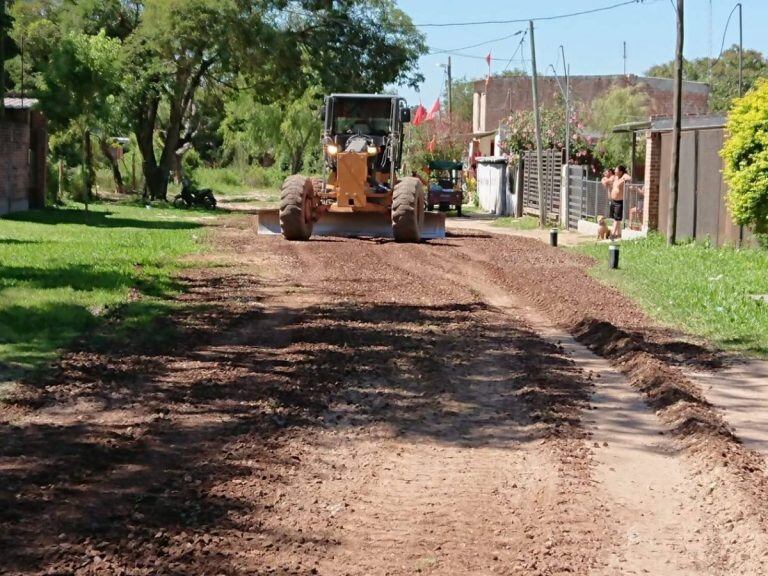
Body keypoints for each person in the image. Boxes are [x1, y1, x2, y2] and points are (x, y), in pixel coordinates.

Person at [607, 165, 631, 239]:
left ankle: (613, 234)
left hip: (619, 202)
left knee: (617, 219)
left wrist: (623, 178)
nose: (615, 171)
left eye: (616, 170)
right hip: (613, 200)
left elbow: (629, 178)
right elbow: (607, 180)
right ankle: (619, 234)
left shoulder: (624, 176)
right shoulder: (615, 177)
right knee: (615, 218)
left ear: (620, 172)